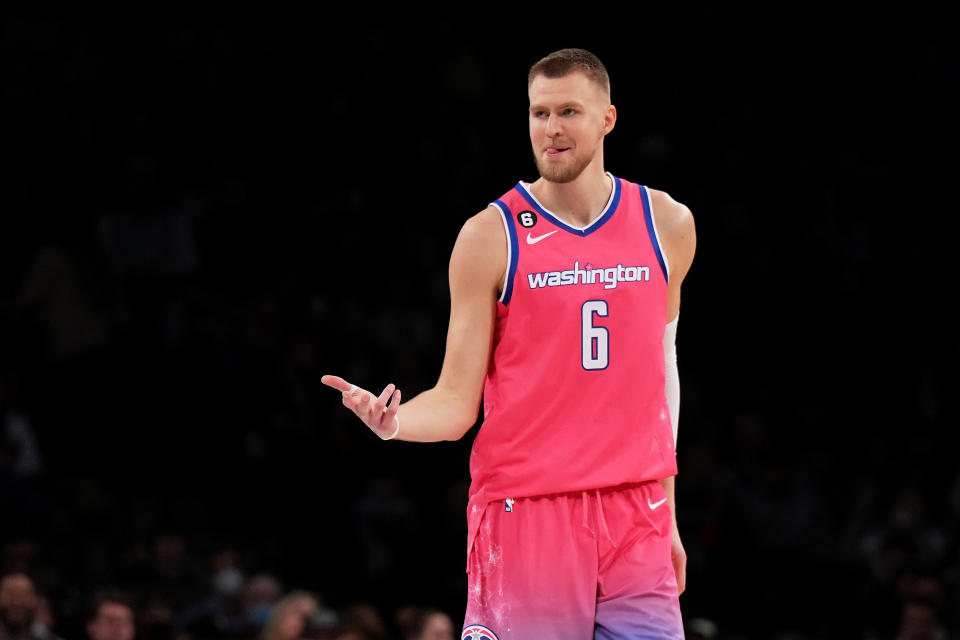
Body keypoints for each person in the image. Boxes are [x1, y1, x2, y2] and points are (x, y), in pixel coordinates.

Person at [322, 47, 696, 639]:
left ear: (608, 119)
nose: (551, 129)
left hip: (635, 512)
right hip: (530, 511)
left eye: (569, 111)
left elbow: (661, 377)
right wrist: (391, 423)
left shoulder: (667, 224)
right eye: (539, 113)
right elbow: (455, 402)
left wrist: (667, 513)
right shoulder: (488, 236)